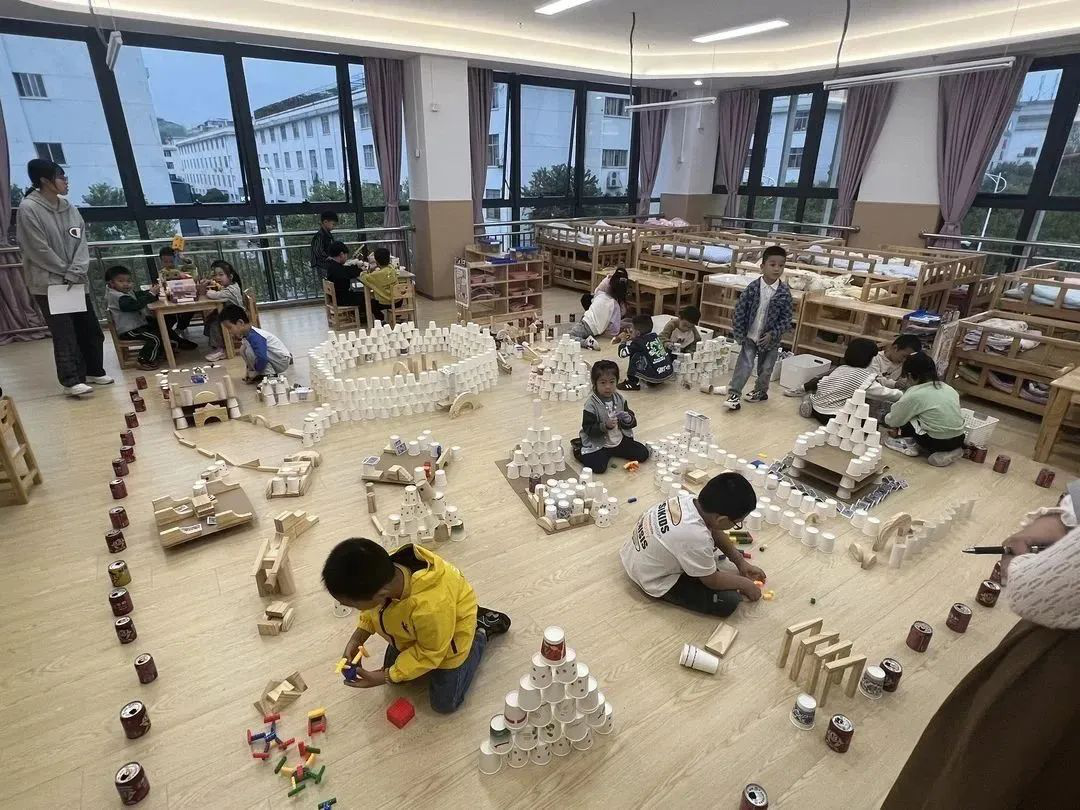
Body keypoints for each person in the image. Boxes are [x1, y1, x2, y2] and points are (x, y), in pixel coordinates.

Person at [881, 488, 1080, 809]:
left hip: (1063, 667)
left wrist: (1024, 561)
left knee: (988, 770)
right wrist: (1064, 519)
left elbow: (1036, 590)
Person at [322, 537, 511, 714]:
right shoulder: (381, 573)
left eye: (355, 606)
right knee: (397, 674)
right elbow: (372, 611)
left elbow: (431, 652)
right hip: (417, 627)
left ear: (381, 594)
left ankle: (480, 630)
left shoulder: (430, 607)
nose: (356, 610)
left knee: (444, 703)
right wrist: (357, 638)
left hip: (449, 635)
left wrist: (386, 676)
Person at [15, 158, 112, 397]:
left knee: (89, 329)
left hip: (74, 280)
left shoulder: (68, 207)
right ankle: (71, 380)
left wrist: (76, 269)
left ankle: (93, 370)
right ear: (44, 180)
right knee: (64, 333)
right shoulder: (29, 208)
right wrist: (64, 270)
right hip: (51, 283)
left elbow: (80, 240)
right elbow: (37, 249)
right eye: (61, 177)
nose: (66, 181)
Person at [620, 472, 766, 617]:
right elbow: (712, 581)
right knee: (729, 601)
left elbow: (715, 529)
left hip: (633, 555)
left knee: (707, 563)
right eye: (737, 523)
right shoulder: (696, 537)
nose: (737, 525)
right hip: (651, 578)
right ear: (721, 519)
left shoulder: (688, 500)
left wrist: (740, 561)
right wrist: (745, 584)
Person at [725, 246, 793, 410]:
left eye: (781, 265)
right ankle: (734, 394)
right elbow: (739, 311)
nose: (777, 269)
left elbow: (786, 319)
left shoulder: (784, 292)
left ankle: (761, 391)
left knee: (766, 368)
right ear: (762, 267)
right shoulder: (753, 288)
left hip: (770, 340)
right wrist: (739, 334)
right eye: (772, 264)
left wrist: (773, 334)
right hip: (750, 336)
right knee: (744, 365)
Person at [882, 352, 967, 466]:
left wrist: (885, 418)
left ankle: (910, 445)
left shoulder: (915, 394)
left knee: (906, 416)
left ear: (910, 375)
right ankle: (949, 451)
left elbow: (894, 420)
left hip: (936, 441)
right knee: (926, 415)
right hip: (959, 438)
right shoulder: (949, 389)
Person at [571, 360, 650, 473]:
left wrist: (628, 419)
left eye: (612, 382)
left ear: (617, 381)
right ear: (595, 383)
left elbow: (630, 419)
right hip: (600, 444)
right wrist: (605, 426)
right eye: (603, 383)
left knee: (643, 454)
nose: (608, 387)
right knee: (598, 467)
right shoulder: (591, 405)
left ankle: (614, 451)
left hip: (619, 441)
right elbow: (588, 428)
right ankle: (579, 448)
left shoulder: (620, 399)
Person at [800, 338, 901, 424]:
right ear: (869, 359)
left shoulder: (841, 368)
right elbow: (883, 393)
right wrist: (903, 395)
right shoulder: (864, 378)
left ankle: (811, 406)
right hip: (834, 415)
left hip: (817, 406)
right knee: (865, 423)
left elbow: (824, 381)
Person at [105, 266, 164, 371]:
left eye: (128, 281)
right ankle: (143, 360)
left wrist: (149, 292)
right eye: (121, 281)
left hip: (136, 325)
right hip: (128, 330)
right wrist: (151, 294)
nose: (126, 284)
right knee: (154, 338)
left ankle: (163, 350)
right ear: (111, 283)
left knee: (160, 327)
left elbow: (137, 295)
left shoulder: (123, 292)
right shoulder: (119, 297)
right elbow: (135, 305)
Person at [220, 303, 292, 383]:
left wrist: (256, 371)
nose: (229, 331)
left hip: (281, 361)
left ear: (240, 323)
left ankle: (270, 375)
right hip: (274, 358)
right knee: (243, 349)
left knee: (249, 350)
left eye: (229, 328)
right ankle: (262, 373)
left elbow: (262, 358)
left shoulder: (255, 336)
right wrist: (249, 372)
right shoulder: (247, 334)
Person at [567, 267, 630, 349]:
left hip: (586, 324)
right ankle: (588, 339)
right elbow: (614, 328)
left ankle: (587, 343)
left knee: (568, 336)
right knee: (579, 331)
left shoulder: (600, 294)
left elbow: (594, 297)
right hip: (597, 330)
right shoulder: (616, 306)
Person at [200, 260, 244, 362]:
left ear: (230, 276)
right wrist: (211, 283)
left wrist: (207, 291)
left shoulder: (231, 290)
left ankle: (221, 349)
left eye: (221, 275)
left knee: (215, 323)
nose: (217, 277)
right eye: (216, 275)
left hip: (237, 316)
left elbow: (215, 295)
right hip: (231, 312)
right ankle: (217, 344)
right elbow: (219, 292)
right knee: (211, 317)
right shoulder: (230, 286)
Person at [617, 313, 675, 391]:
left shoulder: (637, 343)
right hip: (667, 372)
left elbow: (622, 354)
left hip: (656, 375)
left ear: (638, 333)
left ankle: (632, 382)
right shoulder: (654, 336)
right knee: (653, 354)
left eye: (632, 330)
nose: (630, 331)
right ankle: (653, 381)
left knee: (636, 354)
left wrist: (623, 341)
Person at [359, 247, 399, 321]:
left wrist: (367, 270)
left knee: (370, 303)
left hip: (386, 302)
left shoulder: (376, 275)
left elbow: (363, 277)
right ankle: (396, 316)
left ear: (376, 261)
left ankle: (381, 319)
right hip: (398, 301)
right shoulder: (392, 269)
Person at [324, 241, 364, 309]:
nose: (346, 257)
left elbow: (347, 270)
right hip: (342, 299)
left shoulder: (332, 265)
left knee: (363, 295)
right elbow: (349, 273)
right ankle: (365, 315)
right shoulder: (337, 269)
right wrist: (361, 269)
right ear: (341, 254)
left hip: (336, 297)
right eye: (346, 255)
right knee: (367, 297)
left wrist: (357, 268)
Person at [310, 210, 338, 276]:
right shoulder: (319, 236)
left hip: (326, 265)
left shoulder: (327, 235)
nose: (334, 227)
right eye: (333, 224)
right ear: (325, 222)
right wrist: (329, 258)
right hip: (321, 266)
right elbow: (318, 251)